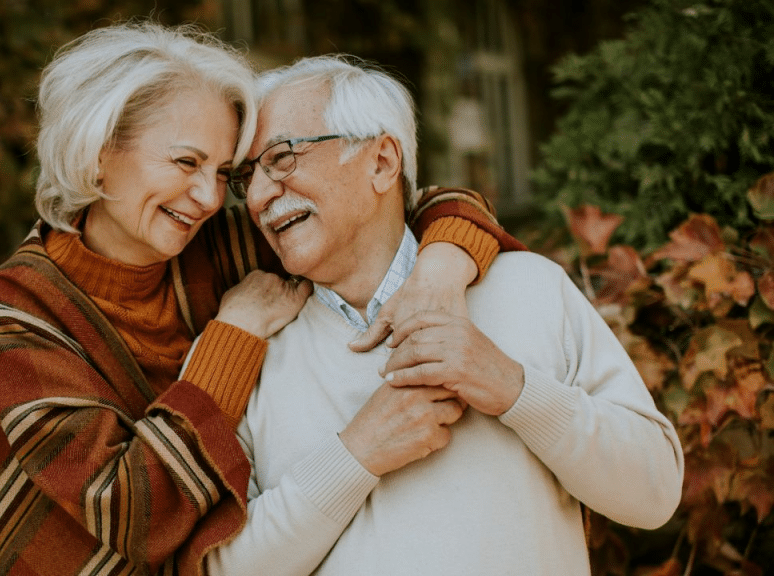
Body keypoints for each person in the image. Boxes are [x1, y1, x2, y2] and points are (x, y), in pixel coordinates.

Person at [0, 23, 522, 576]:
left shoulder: (218, 247)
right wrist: (234, 335)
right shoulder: (8, 312)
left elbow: (406, 205)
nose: (208, 198)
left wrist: (437, 275)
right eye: (186, 162)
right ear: (97, 154)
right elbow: (132, 513)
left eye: (223, 172)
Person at [206, 55, 685, 575]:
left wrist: (512, 387)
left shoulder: (529, 287)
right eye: (247, 177)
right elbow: (222, 568)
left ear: (381, 162)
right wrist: (355, 456)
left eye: (281, 158)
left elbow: (655, 493)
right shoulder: (252, 346)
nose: (258, 197)